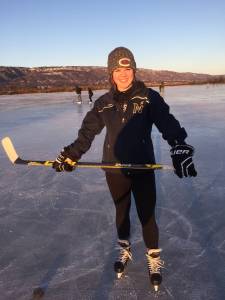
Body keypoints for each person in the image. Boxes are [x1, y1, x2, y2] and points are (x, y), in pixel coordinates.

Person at [52, 47, 197, 291]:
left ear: (134, 70)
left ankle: (153, 257)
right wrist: (72, 153)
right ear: (111, 73)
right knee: (122, 211)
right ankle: (125, 249)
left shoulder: (149, 97)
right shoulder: (103, 103)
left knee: (147, 215)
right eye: (118, 70)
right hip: (114, 169)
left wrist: (179, 144)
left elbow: (167, 122)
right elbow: (87, 133)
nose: (123, 74)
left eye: (127, 69)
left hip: (142, 168)